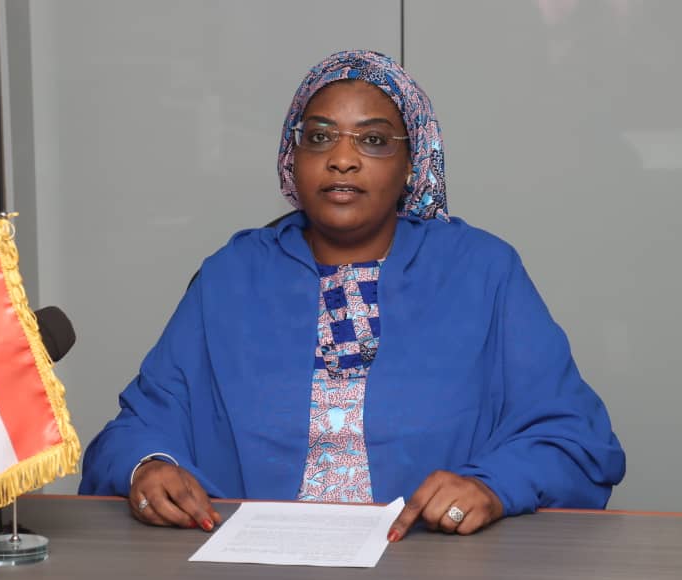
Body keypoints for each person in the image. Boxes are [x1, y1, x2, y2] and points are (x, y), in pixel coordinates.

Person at [79, 50, 625, 539]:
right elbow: (137, 428)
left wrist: (492, 486)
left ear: (413, 162)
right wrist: (149, 466)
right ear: (292, 156)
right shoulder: (231, 275)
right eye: (319, 137)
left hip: (434, 559)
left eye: (374, 140)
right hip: (249, 560)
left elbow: (574, 438)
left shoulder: (482, 270)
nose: (342, 158)